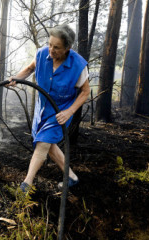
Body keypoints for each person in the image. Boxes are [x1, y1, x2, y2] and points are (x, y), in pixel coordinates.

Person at [8, 24, 90, 192]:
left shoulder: (78, 66)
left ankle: (27, 184)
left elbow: (85, 92)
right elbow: (30, 68)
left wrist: (69, 112)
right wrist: (16, 78)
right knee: (49, 143)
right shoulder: (42, 54)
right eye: (50, 44)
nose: (51, 50)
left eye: (56, 47)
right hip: (42, 109)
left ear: (68, 48)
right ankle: (72, 177)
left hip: (61, 112)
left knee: (43, 143)